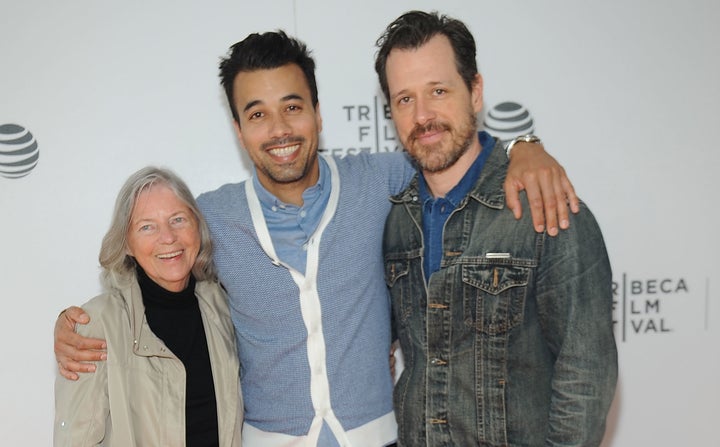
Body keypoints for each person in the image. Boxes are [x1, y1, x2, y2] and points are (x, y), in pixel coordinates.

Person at [54, 31, 579, 446]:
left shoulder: (379, 181)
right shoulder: (211, 215)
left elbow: (447, 148)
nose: (279, 129)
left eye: (293, 106)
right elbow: (151, 260)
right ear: (238, 130)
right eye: (257, 114)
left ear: (318, 112)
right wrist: (77, 324)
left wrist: (520, 147)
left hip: (379, 437)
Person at [376, 10, 618, 446]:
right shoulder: (396, 220)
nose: (423, 115)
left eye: (438, 90)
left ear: (475, 92)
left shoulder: (544, 208)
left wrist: (524, 144)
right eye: (405, 99)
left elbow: (586, 374)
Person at [53, 167, 242, 446]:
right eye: (147, 226)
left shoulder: (225, 307)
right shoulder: (96, 325)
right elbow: (75, 440)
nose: (167, 237)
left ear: (198, 229)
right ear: (127, 243)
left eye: (178, 220)